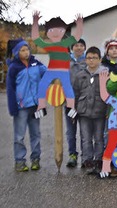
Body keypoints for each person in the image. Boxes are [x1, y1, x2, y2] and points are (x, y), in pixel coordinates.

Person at [31, 12, 82, 118]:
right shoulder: (48, 45)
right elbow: (35, 38)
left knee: (67, 88)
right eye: (51, 30)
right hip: (51, 70)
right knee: (42, 85)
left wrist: (79, 24)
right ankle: (41, 107)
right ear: (47, 33)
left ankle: (71, 108)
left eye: (59, 30)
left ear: (63, 31)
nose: (55, 33)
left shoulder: (65, 43)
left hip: (64, 71)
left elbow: (77, 36)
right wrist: (35, 23)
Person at [6, 39, 47, 172]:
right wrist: (13, 107)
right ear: (16, 53)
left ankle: (36, 159)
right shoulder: (14, 67)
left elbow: (46, 72)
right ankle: (19, 161)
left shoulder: (36, 63)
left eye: (27, 49)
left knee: (36, 134)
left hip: (35, 105)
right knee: (19, 136)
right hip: (21, 107)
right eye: (22, 50)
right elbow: (10, 89)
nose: (26, 52)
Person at [71, 46, 108, 174]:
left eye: (94, 58)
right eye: (89, 58)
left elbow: (109, 95)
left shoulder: (105, 75)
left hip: (100, 112)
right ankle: (87, 161)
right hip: (84, 112)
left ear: (100, 59)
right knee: (85, 138)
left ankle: (98, 160)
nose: (91, 61)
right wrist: (74, 109)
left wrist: (108, 111)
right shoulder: (80, 75)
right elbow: (75, 93)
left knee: (98, 138)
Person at [66, 38, 86, 168]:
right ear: (72, 48)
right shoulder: (66, 62)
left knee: (85, 131)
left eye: (81, 45)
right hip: (69, 101)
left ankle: (86, 156)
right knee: (71, 130)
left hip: (84, 101)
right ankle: (72, 154)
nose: (78, 48)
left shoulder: (88, 61)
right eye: (76, 46)